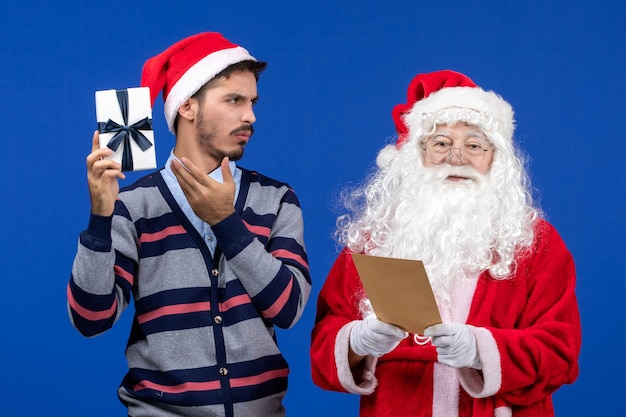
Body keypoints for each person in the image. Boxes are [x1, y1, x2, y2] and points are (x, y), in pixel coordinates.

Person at [67, 32, 311, 417]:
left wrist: (227, 222)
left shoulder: (276, 199)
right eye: (234, 100)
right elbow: (91, 319)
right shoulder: (135, 206)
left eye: (252, 102)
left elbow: (288, 307)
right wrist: (100, 217)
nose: (250, 116)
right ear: (187, 106)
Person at [310, 70, 580, 417]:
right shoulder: (375, 238)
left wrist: (481, 350)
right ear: (416, 154)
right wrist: (358, 341)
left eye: (473, 145)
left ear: (495, 159)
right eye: (441, 143)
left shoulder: (534, 241)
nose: (456, 157)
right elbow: (323, 343)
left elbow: (561, 351)